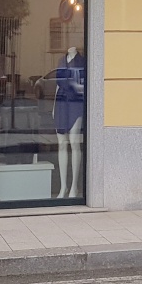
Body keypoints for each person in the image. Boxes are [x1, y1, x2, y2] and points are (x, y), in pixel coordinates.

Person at [54, 46, 86, 198]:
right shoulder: (61, 60)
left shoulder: (82, 61)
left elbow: (85, 85)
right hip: (61, 102)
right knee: (61, 143)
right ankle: (63, 187)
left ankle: (74, 186)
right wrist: (53, 107)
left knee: (74, 142)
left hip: (75, 103)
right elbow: (57, 84)